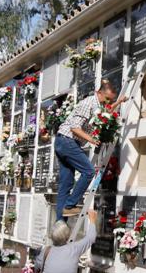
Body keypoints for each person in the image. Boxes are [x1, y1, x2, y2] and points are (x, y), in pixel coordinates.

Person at [54, 80, 126, 220]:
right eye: (106, 99)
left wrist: (119, 102)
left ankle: (60, 223)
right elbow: (74, 128)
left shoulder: (98, 103)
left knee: (66, 185)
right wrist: (91, 139)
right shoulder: (88, 103)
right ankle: (69, 206)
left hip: (63, 142)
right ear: (98, 93)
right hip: (68, 141)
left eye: (109, 100)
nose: (107, 102)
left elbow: (106, 111)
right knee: (88, 171)